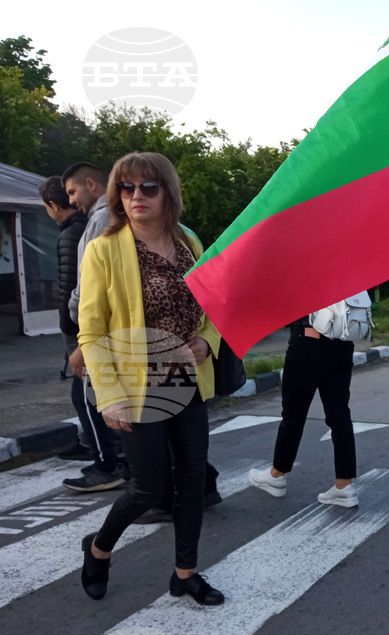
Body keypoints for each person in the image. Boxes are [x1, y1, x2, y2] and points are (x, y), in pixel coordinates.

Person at [78, 152, 224, 606]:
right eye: (126, 188)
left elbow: (214, 305)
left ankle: (185, 574)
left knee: (192, 482)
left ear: (167, 192)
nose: (135, 196)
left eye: (148, 187)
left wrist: (207, 342)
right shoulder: (105, 248)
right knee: (147, 488)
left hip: (186, 380)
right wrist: (110, 397)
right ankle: (99, 549)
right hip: (136, 386)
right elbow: (92, 329)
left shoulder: (189, 243)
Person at [248, 306, 358, 508]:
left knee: (293, 414)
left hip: (308, 340)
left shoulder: (304, 273)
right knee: (339, 415)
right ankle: (344, 485)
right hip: (342, 343)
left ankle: (277, 475)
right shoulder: (348, 273)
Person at [60, 162, 126, 492]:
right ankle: (127, 462)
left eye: (72, 192)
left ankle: (107, 465)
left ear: (91, 184)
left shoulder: (101, 219)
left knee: (87, 395)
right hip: (115, 327)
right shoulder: (114, 217)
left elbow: (91, 282)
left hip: (100, 327)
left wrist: (83, 337)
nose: (71, 200)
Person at [37, 176, 92, 461]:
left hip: (80, 326)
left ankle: (104, 453)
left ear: (51, 204)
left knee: (83, 391)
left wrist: (68, 327)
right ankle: (95, 445)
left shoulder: (72, 234)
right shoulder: (86, 226)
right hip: (85, 323)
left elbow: (70, 285)